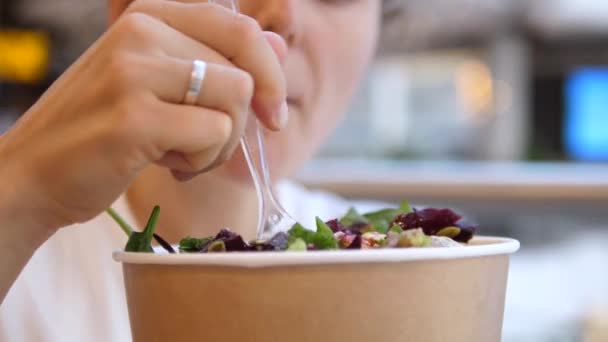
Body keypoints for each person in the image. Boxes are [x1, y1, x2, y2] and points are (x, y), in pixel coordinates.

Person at [0, 0, 389, 340]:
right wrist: (18, 188)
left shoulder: (396, 263)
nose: (282, 16)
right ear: (123, 7)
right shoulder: (21, 249)